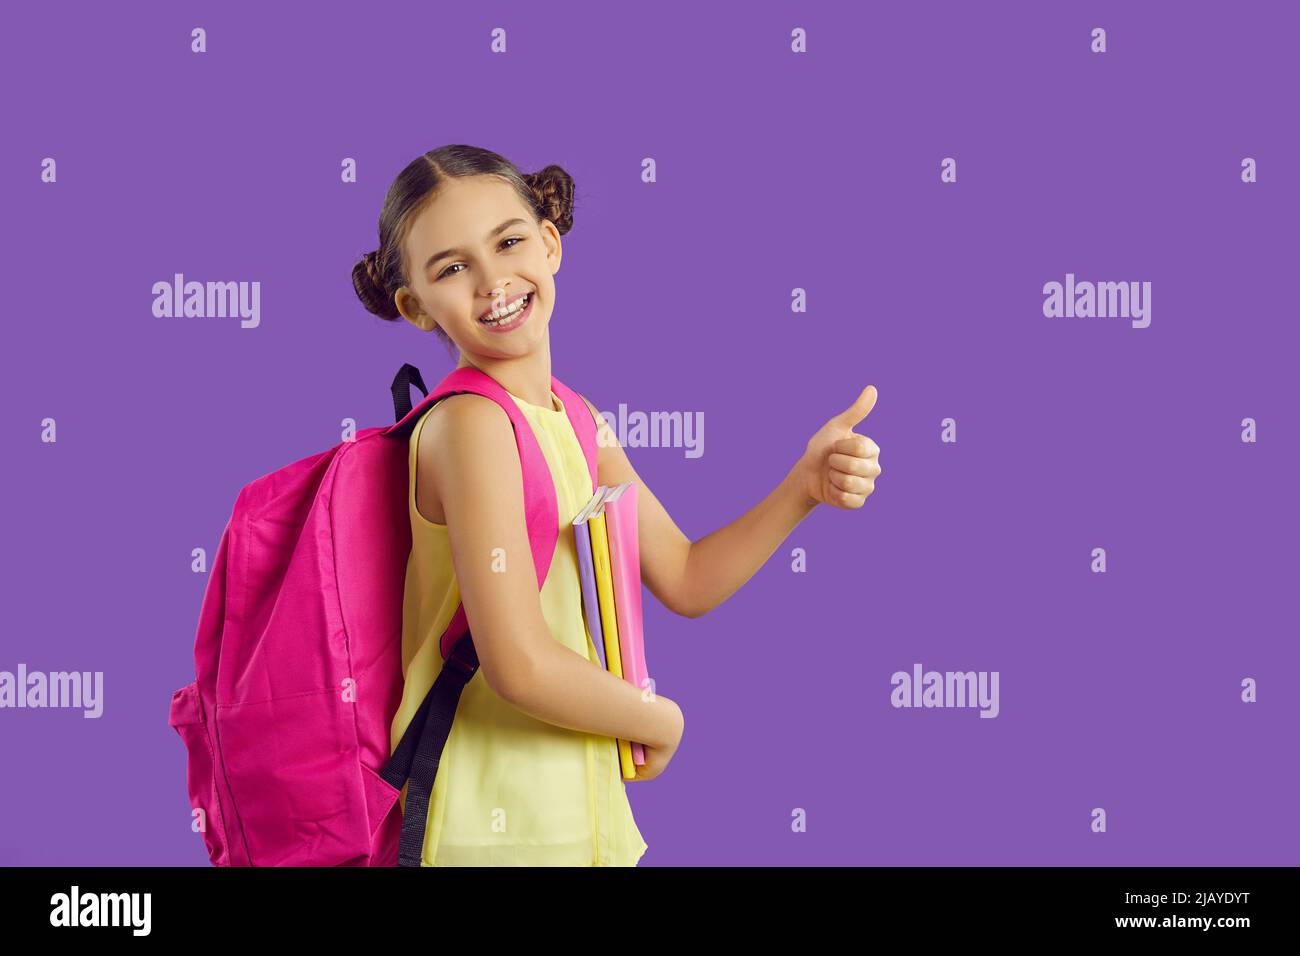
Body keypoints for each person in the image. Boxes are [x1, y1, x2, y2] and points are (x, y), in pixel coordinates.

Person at [351, 144, 883, 866]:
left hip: (579, 818)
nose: (492, 280)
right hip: (486, 828)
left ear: (549, 243)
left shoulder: (575, 418)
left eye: (508, 242)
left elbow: (687, 576)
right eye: (452, 267)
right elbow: (518, 664)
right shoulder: (471, 425)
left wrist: (802, 489)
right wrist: (660, 721)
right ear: (415, 306)